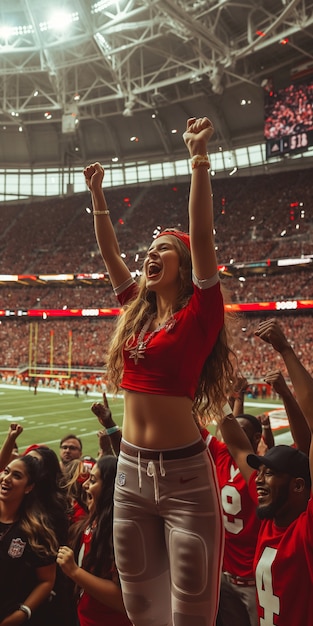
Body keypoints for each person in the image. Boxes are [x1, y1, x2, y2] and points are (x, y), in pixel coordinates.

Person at [83, 116, 235, 626]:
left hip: (186, 477)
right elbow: (110, 255)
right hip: (128, 472)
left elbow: (204, 233)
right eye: (148, 251)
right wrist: (99, 197)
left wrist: (197, 158)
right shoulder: (136, 312)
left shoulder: (200, 314)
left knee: (191, 612)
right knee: (140, 606)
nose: (150, 256)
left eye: (162, 251)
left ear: (185, 265)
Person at [219, 318, 313, 626]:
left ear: (299, 486)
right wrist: (217, 391)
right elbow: (236, 445)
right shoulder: (270, 518)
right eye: (259, 473)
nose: (258, 478)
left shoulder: (305, 530)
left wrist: (286, 350)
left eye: (269, 473)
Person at [200, 412, 262, 626]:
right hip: (224, 577)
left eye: (240, 432)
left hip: (254, 581)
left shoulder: (263, 472)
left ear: (256, 438)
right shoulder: (221, 453)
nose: (232, 436)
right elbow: (194, 428)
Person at [57, 455, 131, 626]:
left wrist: (74, 571)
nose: (85, 485)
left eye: (93, 480)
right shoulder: (92, 523)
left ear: (110, 488)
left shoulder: (121, 533)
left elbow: (124, 601)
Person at [0, 455, 58, 625]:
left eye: (17, 476)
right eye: (6, 471)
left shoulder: (35, 530)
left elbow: (47, 580)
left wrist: (23, 613)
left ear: (29, 487)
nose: (6, 478)